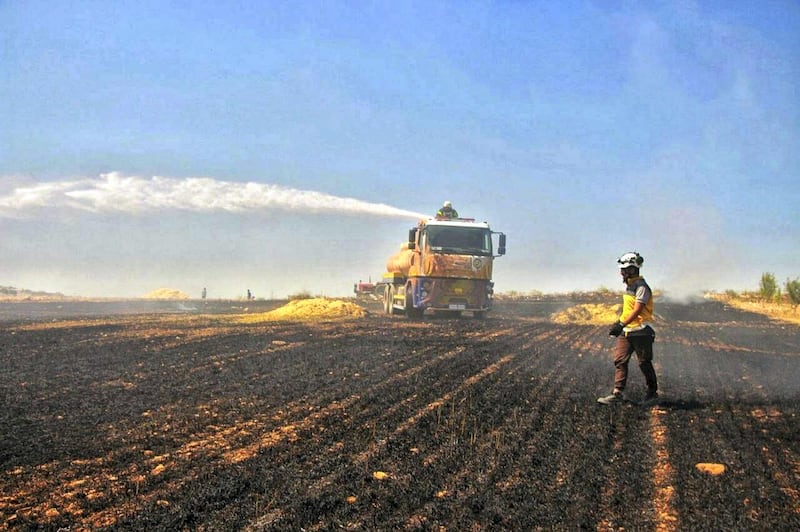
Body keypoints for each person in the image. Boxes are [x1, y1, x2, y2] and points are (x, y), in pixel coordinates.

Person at [597, 252, 659, 406]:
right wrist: (619, 322)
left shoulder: (642, 287)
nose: (621, 273)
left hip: (642, 331)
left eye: (624, 270)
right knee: (620, 360)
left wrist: (621, 325)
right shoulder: (630, 287)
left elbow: (637, 310)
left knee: (644, 362)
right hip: (628, 331)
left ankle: (652, 393)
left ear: (633, 269)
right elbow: (628, 310)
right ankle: (617, 393)